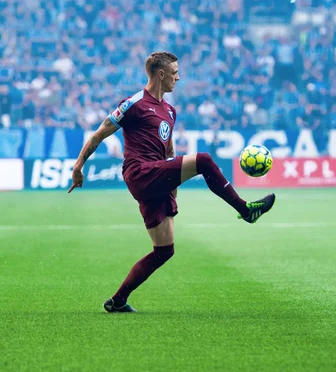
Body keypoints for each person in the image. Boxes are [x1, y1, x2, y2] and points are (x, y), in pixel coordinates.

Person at [68, 52, 276, 312]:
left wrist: (173, 188)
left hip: (157, 176)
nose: (179, 77)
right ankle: (246, 211)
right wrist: (78, 166)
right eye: (175, 72)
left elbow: (168, 151)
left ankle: (117, 301)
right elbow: (99, 133)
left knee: (164, 250)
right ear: (161, 74)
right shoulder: (134, 103)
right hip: (140, 173)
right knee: (204, 161)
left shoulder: (170, 110)